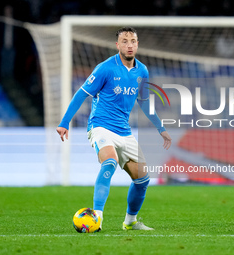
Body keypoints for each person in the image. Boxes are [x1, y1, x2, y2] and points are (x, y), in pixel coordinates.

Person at [56, 27, 172, 231]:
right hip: (100, 126)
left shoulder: (142, 71)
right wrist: (65, 122)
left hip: (124, 132)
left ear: (137, 44)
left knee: (143, 179)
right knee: (109, 162)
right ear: (117, 45)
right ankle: (97, 217)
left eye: (133, 41)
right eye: (125, 41)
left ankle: (130, 221)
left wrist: (160, 127)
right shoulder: (105, 68)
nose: (129, 45)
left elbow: (143, 101)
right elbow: (82, 93)